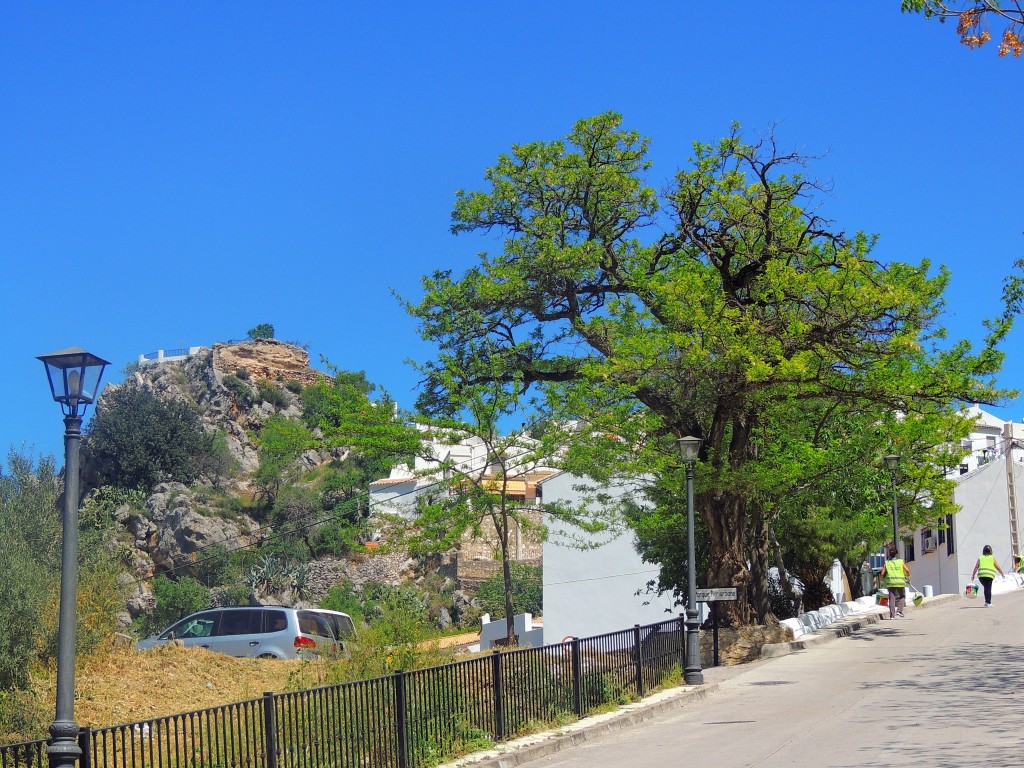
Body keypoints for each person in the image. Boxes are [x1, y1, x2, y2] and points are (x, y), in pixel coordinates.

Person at [881, 546, 911, 619]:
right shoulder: (900, 561)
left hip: (891, 582)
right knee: (902, 596)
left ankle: (892, 616)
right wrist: (909, 578)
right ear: (896, 554)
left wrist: (882, 581)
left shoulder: (887, 563)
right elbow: (907, 570)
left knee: (892, 599)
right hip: (900, 582)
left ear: (889, 554)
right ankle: (899, 611)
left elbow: (882, 574)